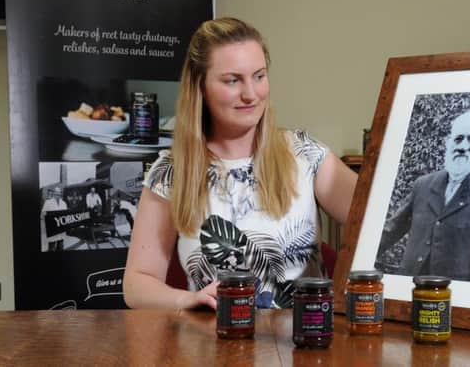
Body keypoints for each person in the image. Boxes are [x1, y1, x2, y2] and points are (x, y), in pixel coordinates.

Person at [123, 17, 357, 310]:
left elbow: (380, 224)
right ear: (201, 87)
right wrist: (189, 299)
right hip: (212, 346)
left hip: (304, 346)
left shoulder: (305, 154)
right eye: (233, 80)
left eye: (259, 76)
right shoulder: (171, 171)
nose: (251, 94)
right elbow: (137, 283)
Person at [378, 111, 470, 283]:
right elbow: (391, 230)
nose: (463, 146)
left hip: (452, 295)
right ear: (449, 142)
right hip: (410, 286)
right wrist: (360, 257)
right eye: (458, 138)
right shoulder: (423, 184)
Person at [40, 186, 68, 252]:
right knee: (52, 248)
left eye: (59, 193)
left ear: (61, 194)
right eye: (56, 193)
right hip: (52, 230)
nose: (58, 195)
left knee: (60, 247)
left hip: (61, 229)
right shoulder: (48, 202)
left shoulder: (64, 203)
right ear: (54, 194)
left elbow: (66, 215)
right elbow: (42, 215)